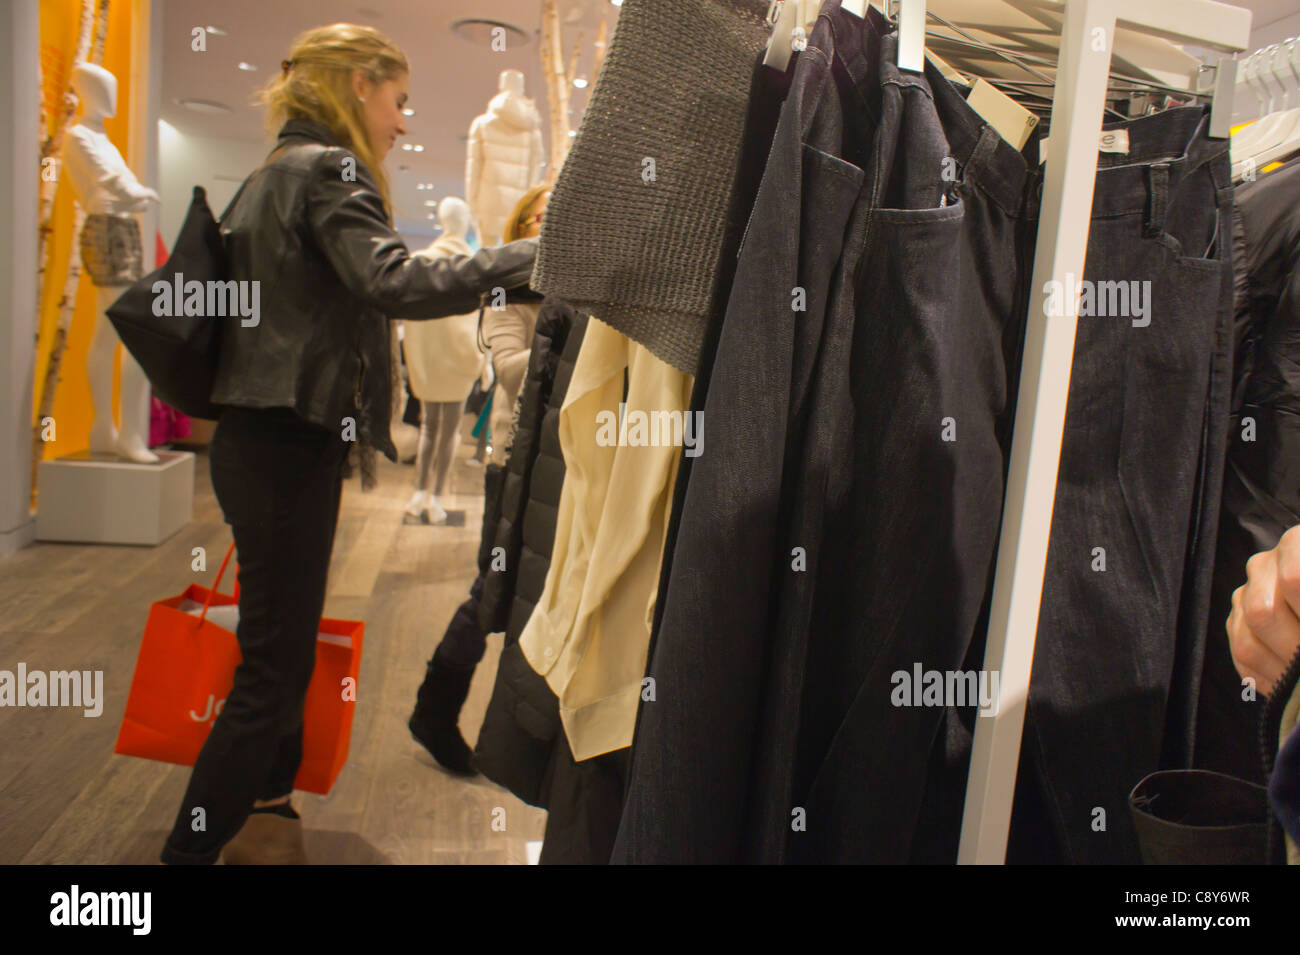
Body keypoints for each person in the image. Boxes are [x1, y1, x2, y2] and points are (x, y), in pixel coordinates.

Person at [159, 22, 538, 866]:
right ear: (357, 87)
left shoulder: (273, 172)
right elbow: (393, 281)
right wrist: (529, 256)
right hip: (286, 446)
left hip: (263, 441)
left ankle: (270, 802)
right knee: (271, 670)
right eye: (398, 100)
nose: (404, 122)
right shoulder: (327, 168)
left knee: (277, 653)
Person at [408, 186, 552, 775]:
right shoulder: (505, 294)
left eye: (556, 216)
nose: (549, 228)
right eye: (538, 219)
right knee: (489, 595)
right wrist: (566, 336)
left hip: (564, 466)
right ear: (519, 228)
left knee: (536, 599)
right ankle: (435, 710)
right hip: (513, 466)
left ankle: (516, 740)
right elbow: (510, 369)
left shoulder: (575, 289)